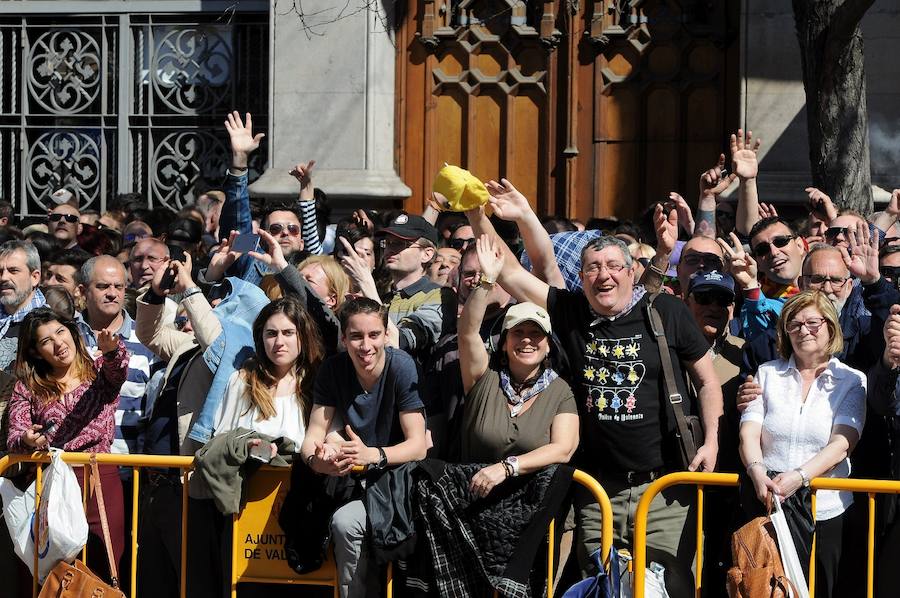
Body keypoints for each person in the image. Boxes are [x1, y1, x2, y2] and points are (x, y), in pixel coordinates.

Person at [468, 199, 722, 596]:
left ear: (631, 272)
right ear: (582, 277)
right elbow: (508, 270)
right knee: (600, 589)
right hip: (597, 491)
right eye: (593, 268)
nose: (603, 275)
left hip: (665, 490)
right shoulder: (570, 312)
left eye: (613, 266)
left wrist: (711, 440)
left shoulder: (666, 311)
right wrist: (475, 213)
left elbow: (707, 382)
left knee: (664, 590)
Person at [739, 290, 866, 598]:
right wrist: (758, 473)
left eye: (812, 322)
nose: (802, 330)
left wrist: (799, 477)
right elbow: (749, 432)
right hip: (768, 505)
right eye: (793, 324)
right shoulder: (767, 374)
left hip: (827, 512)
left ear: (831, 328)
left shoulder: (851, 380)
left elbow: (841, 444)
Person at [301, 297, 427, 598]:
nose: (365, 345)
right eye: (356, 336)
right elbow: (313, 436)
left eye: (373, 335)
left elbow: (419, 446)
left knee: (352, 527)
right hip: (350, 482)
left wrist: (374, 455)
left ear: (386, 335)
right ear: (343, 339)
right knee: (338, 524)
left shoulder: (401, 366)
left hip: (400, 481)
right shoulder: (333, 369)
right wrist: (318, 462)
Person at [6, 307, 129, 582]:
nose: (58, 343)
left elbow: (118, 371)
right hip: (50, 482)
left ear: (72, 332)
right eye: (47, 340)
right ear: (36, 351)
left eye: (61, 332)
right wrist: (28, 439)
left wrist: (111, 350)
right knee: (52, 568)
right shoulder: (28, 385)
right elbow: (15, 435)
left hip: (98, 479)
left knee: (103, 564)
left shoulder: (99, 371)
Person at [457, 235, 578, 493]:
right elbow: (467, 332)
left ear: (547, 345)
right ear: (503, 342)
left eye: (536, 334)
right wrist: (487, 281)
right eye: (517, 332)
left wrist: (506, 467)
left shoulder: (560, 391)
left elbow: (563, 449)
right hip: (475, 505)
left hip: (536, 513)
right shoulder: (483, 378)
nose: (527, 340)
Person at [213, 295, 324, 446]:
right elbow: (222, 440)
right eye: (271, 333)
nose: (279, 342)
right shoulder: (242, 381)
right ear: (261, 338)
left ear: (303, 336)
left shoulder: (320, 384)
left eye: (288, 333)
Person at [0, 240, 47, 371]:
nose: (3, 277)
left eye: (13, 271)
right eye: (0, 271)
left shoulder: (49, 324)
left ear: (35, 277)